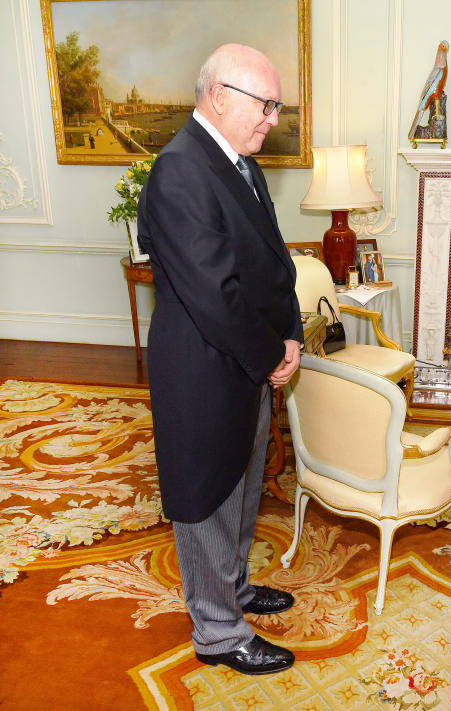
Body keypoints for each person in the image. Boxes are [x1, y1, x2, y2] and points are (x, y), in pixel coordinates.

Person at [137, 44, 303, 676]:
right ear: (219, 96)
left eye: (275, 105)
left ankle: (231, 587)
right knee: (207, 497)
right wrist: (271, 355)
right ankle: (217, 630)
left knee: (241, 484)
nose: (271, 118)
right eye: (264, 104)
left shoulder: (236, 161)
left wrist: (287, 338)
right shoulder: (180, 170)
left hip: (247, 360)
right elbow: (215, 293)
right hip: (206, 369)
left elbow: (270, 267)